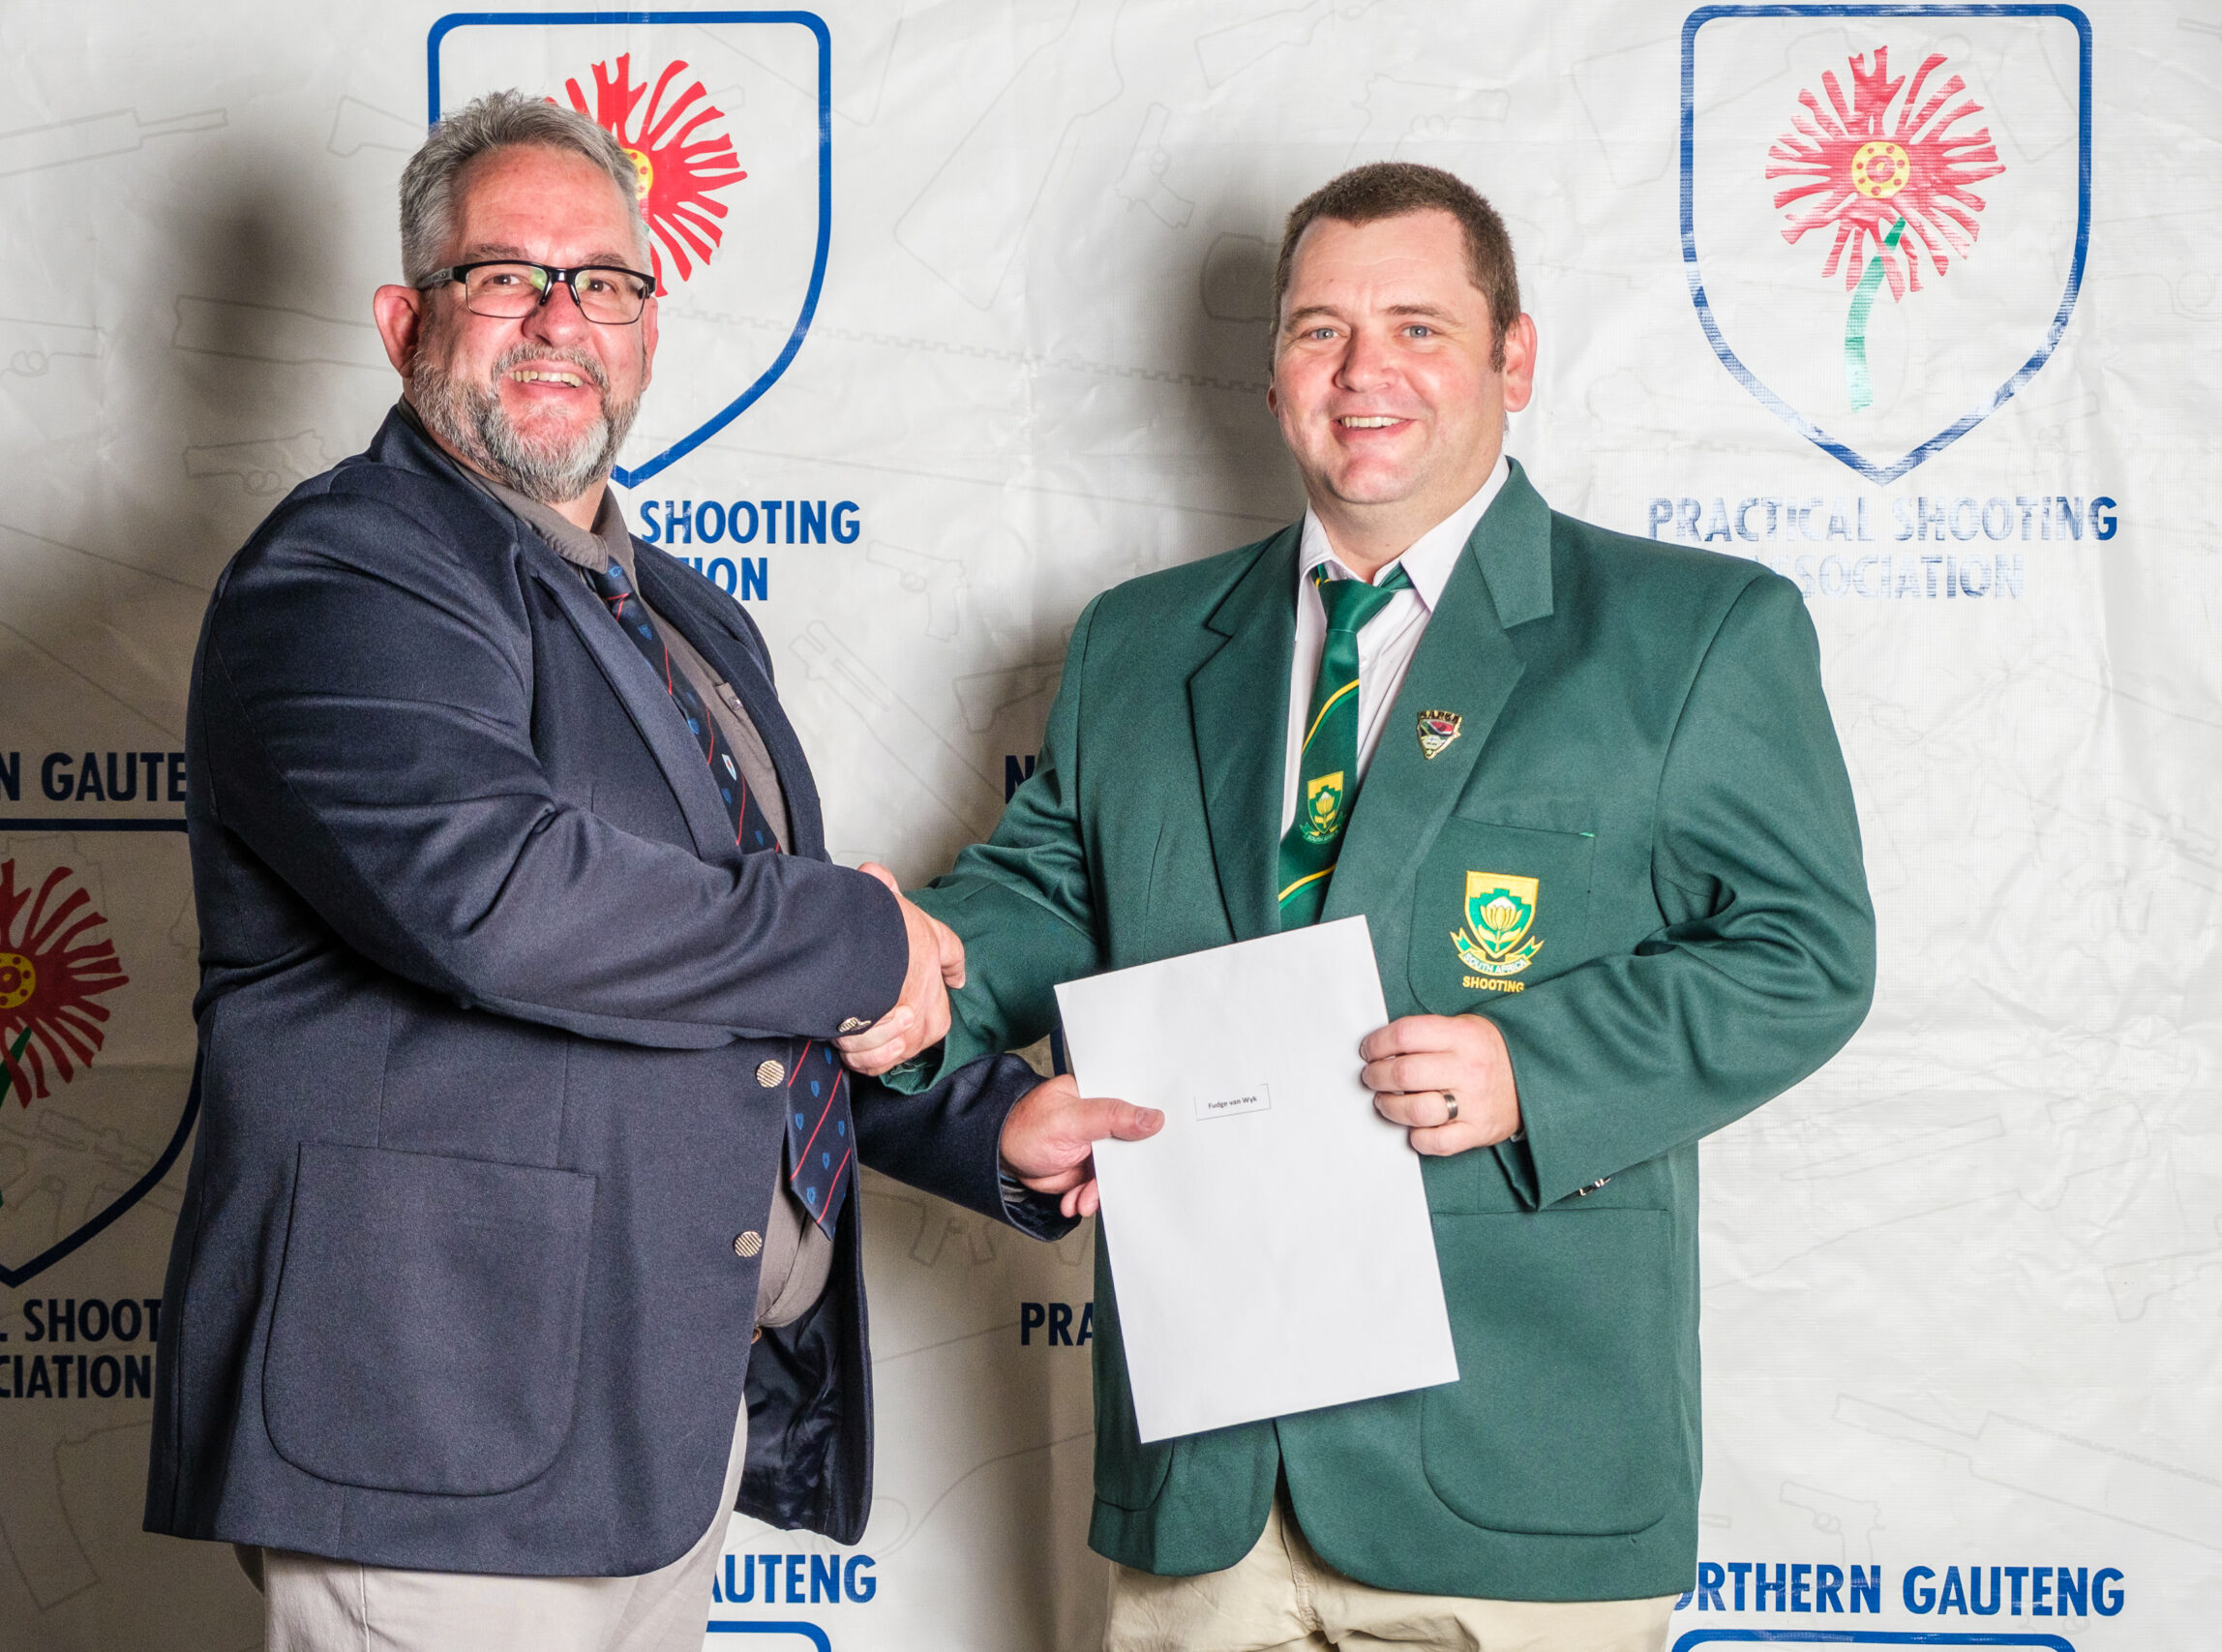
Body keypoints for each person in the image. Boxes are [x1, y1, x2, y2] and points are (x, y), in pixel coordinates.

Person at [144, 91, 1156, 1652]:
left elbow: (725, 980)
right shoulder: (345, 570)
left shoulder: (690, 616)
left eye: (605, 283)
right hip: (434, 1436)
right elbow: (501, 898)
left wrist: (982, 1128)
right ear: (406, 322)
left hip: (653, 1425)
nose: (563, 319)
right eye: (507, 276)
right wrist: (859, 934)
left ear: (648, 331)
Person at [844, 162, 1877, 1652]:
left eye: (1418, 326)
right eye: (1319, 329)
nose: (1362, 370)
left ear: (1515, 357)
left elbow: (1803, 954)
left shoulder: (1692, 632)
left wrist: (1532, 1069)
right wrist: (910, 962)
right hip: (1203, 1481)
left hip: (1515, 1478)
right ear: (1273, 374)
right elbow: (1046, 894)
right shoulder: (1139, 644)